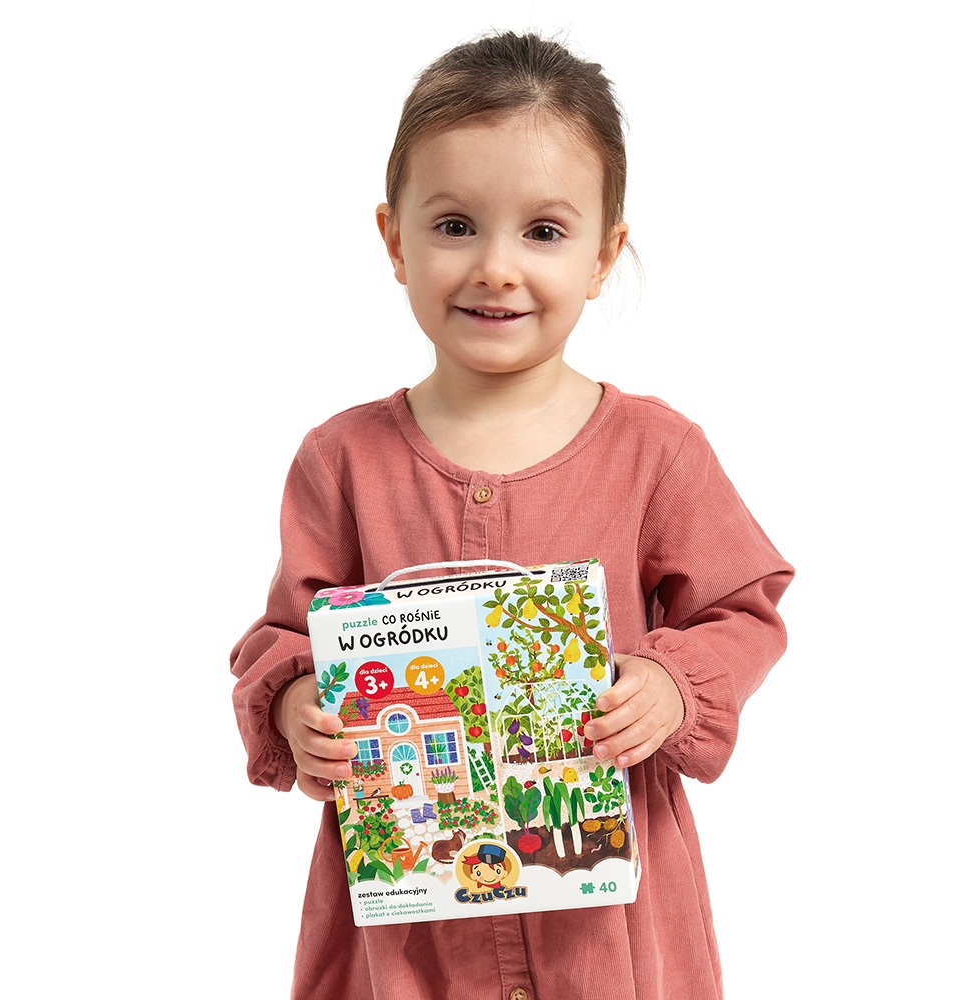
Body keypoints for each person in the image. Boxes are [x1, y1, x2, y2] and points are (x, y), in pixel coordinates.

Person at [231, 30, 793, 1000]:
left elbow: (743, 609)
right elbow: (284, 634)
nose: (496, 267)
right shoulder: (342, 459)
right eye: (455, 224)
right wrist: (296, 705)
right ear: (394, 240)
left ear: (603, 254)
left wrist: (671, 685)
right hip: (407, 928)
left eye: (543, 231)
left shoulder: (656, 450)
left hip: (605, 927)